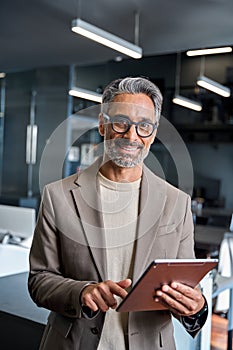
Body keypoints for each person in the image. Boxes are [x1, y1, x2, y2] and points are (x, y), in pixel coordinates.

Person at [28, 77, 208, 350]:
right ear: (102, 124)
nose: (132, 136)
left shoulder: (177, 202)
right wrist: (82, 292)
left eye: (144, 126)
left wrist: (196, 307)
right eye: (121, 122)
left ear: (154, 131)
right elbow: (40, 279)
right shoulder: (58, 196)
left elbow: (183, 286)